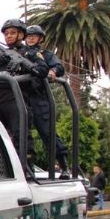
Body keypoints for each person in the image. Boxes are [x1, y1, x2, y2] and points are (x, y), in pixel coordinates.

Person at [0, 19, 49, 161]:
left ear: (21, 35)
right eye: (6, 33)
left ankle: (27, 168)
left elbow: (42, 70)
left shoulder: (30, 53)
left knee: (21, 135)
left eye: (13, 33)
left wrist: (23, 64)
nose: (9, 36)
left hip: (17, 97)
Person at [25, 25, 71, 178]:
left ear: (40, 38)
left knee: (47, 132)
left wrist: (53, 71)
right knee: (21, 133)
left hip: (39, 96)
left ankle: (64, 166)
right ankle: (26, 168)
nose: (30, 38)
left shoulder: (45, 54)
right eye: (28, 36)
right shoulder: (20, 53)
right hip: (22, 96)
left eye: (34, 36)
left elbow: (58, 66)